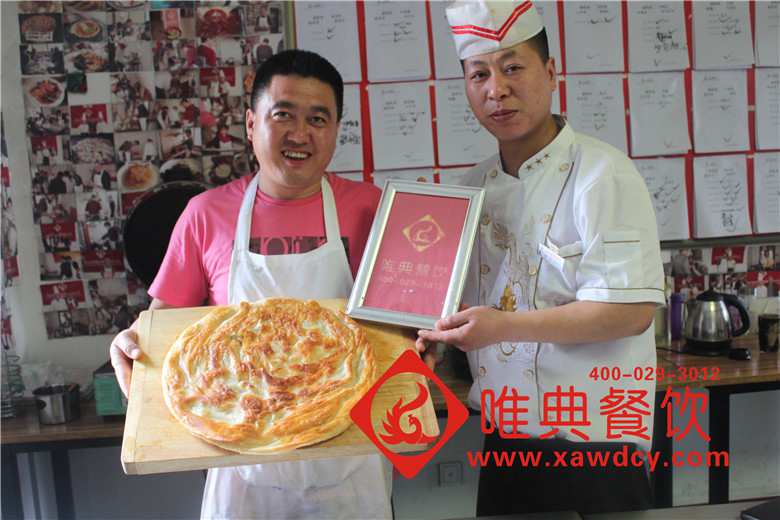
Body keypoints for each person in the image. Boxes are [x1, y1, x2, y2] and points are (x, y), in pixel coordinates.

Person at [108, 50, 396, 519]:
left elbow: (403, 327)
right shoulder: (205, 214)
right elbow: (160, 335)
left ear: (335, 130)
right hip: (239, 470)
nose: (299, 134)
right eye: (283, 114)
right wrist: (129, 345)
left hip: (350, 466)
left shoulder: (376, 208)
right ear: (250, 123)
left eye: (317, 119)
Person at [416, 2, 665, 515]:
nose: (496, 90)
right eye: (479, 74)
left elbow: (630, 311)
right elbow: (460, 304)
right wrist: (433, 332)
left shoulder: (603, 174)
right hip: (505, 439)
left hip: (596, 445)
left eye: (512, 67)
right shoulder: (472, 189)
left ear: (551, 72)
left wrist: (501, 327)